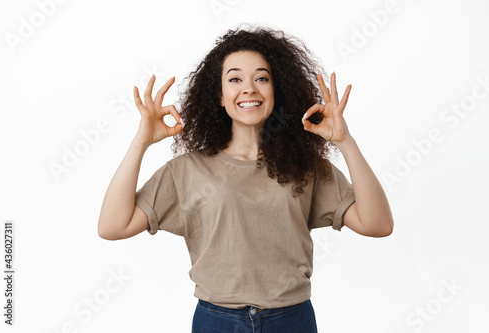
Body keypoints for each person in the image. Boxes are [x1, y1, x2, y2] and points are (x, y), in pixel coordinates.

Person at [97, 24, 394, 333]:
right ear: (220, 97)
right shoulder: (186, 170)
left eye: (262, 78)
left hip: (291, 320)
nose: (249, 88)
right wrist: (140, 143)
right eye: (235, 79)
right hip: (217, 321)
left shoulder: (304, 166)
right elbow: (112, 227)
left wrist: (345, 142)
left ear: (276, 91)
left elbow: (378, 225)